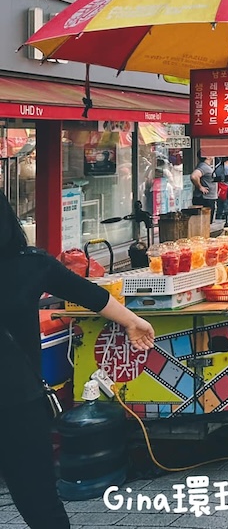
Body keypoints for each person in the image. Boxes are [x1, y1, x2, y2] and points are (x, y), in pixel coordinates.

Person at [0, 190, 154, 529]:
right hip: (20, 404)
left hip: (20, 404)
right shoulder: (30, 263)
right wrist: (132, 320)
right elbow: (87, 293)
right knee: (40, 501)